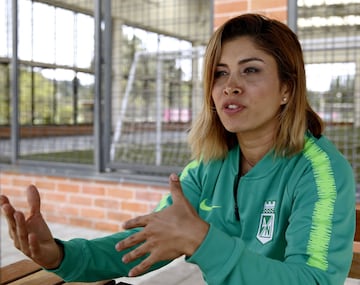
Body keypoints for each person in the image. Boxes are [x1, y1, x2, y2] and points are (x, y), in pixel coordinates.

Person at [0, 13, 356, 285]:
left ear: (287, 90)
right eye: (220, 73)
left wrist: (203, 241)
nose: (230, 86)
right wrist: (60, 254)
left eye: (250, 71)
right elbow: (143, 243)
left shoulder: (319, 171)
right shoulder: (207, 166)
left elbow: (315, 281)